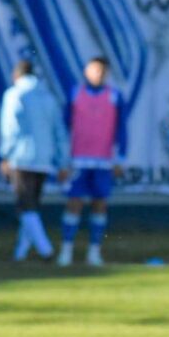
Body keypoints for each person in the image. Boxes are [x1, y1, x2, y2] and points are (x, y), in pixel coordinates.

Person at [57, 56, 127, 267]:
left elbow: (121, 129)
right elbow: (63, 128)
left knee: (99, 204)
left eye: (102, 71)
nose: (98, 74)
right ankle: (66, 251)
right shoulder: (75, 94)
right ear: (86, 71)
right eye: (95, 70)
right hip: (78, 160)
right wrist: (62, 161)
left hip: (103, 161)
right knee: (74, 203)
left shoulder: (115, 96)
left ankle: (94, 252)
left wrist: (120, 158)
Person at [0, 60, 70, 261]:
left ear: (16, 75)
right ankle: (20, 253)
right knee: (31, 206)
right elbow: (59, 132)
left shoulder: (14, 95)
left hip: (21, 158)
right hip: (44, 159)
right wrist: (62, 161)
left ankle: (45, 250)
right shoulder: (48, 97)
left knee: (25, 206)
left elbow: (11, 128)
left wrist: (6, 154)